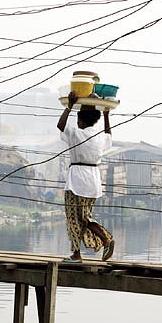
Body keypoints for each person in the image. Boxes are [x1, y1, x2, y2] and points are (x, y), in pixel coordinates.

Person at [56, 91, 115, 263]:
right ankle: (101, 241)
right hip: (93, 181)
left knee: (74, 218)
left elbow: (60, 126)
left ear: (80, 119)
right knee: (84, 216)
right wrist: (106, 114)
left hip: (77, 181)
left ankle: (99, 242)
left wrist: (69, 107)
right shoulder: (98, 137)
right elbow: (109, 136)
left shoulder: (76, 133)